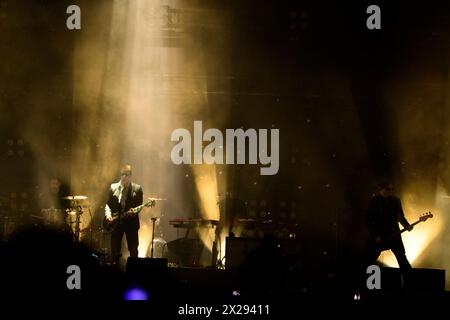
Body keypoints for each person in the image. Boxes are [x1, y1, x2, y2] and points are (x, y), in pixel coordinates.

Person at [366, 179, 413, 271]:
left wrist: (406, 225)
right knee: (370, 258)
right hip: (380, 236)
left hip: (394, 235)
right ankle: (367, 281)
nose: (390, 191)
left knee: (402, 259)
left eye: (391, 189)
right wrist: (375, 235)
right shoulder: (374, 201)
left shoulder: (396, 200)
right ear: (381, 190)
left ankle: (410, 282)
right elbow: (369, 221)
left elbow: (400, 217)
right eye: (387, 189)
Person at [105, 164, 143, 266]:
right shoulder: (113, 187)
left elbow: (139, 207)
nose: (124, 177)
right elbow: (108, 204)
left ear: (130, 176)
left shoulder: (137, 189)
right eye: (122, 174)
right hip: (116, 222)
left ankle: (133, 272)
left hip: (131, 223)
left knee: (133, 249)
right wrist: (108, 215)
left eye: (126, 175)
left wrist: (133, 213)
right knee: (115, 250)